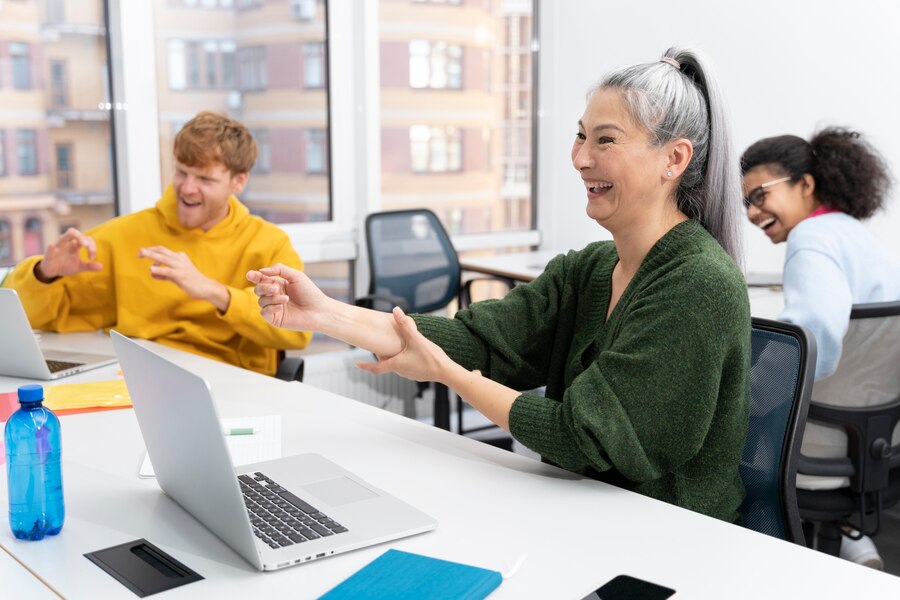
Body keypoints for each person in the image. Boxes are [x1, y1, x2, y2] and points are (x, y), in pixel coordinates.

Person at [249, 48, 751, 522]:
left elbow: (581, 436)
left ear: (674, 160)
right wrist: (323, 314)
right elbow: (479, 342)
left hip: (666, 537)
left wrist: (450, 375)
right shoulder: (592, 268)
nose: (580, 158)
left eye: (606, 139)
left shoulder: (698, 283)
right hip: (583, 511)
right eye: (581, 136)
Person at [2, 111, 311, 375]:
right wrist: (44, 274)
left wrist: (215, 292)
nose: (187, 188)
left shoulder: (268, 243)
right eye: (181, 173)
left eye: (204, 179)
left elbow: (298, 333)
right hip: (141, 380)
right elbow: (25, 320)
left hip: (233, 386)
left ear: (238, 181)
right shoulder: (123, 235)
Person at [741, 129, 900, 569]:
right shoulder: (856, 234)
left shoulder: (810, 239)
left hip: (824, 441)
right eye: (745, 203)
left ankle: (763, 564)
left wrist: (744, 401)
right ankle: (845, 533)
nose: (753, 212)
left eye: (760, 195)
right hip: (876, 438)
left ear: (805, 185)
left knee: (717, 424)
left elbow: (815, 346)